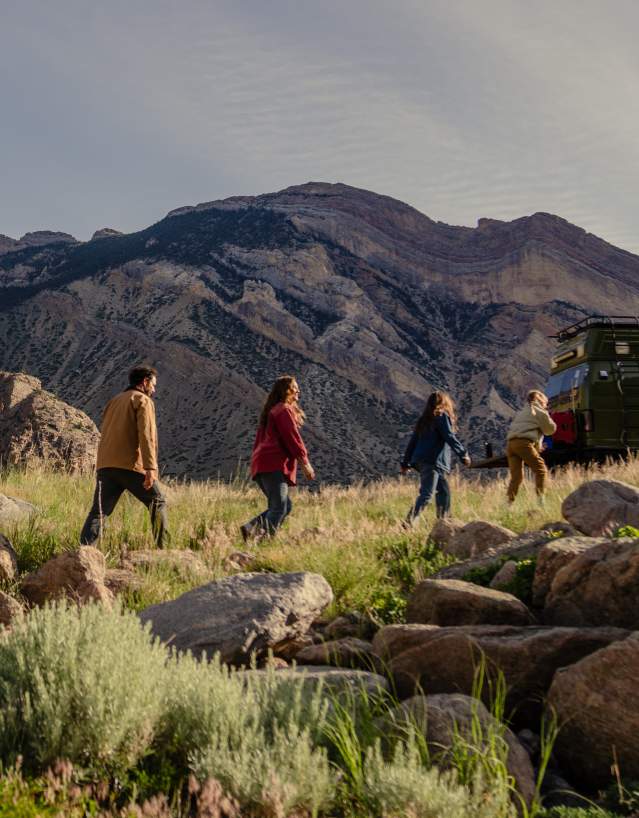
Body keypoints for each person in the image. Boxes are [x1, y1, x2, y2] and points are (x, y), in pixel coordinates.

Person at [80, 365, 168, 547]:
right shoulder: (142, 400)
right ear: (144, 382)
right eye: (153, 384)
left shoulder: (114, 401)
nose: (154, 389)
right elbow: (147, 435)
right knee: (157, 501)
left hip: (105, 465)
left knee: (99, 512)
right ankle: (164, 550)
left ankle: (84, 552)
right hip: (130, 465)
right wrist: (150, 468)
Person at [240, 375, 315, 541]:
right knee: (279, 508)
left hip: (262, 464)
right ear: (286, 390)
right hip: (272, 465)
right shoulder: (282, 410)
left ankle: (250, 528)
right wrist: (305, 463)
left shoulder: (272, 411)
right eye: (295, 388)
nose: (298, 391)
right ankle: (264, 541)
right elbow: (292, 438)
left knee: (284, 506)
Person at [401, 391, 471, 523]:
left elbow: (412, 442)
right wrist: (463, 454)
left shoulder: (424, 420)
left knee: (443, 491)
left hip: (421, 461)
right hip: (432, 461)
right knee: (427, 494)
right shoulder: (441, 416)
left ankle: (444, 522)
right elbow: (449, 436)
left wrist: (405, 463)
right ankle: (408, 523)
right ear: (444, 403)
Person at [506, 389, 557, 504]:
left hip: (511, 445)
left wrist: (537, 446)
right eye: (545, 403)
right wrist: (547, 414)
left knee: (516, 477)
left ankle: (508, 503)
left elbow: (531, 429)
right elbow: (550, 430)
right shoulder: (539, 411)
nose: (546, 405)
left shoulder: (522, 411)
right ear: (541, 401)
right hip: (524, 444)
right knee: (541, 470)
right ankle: (541, 501)